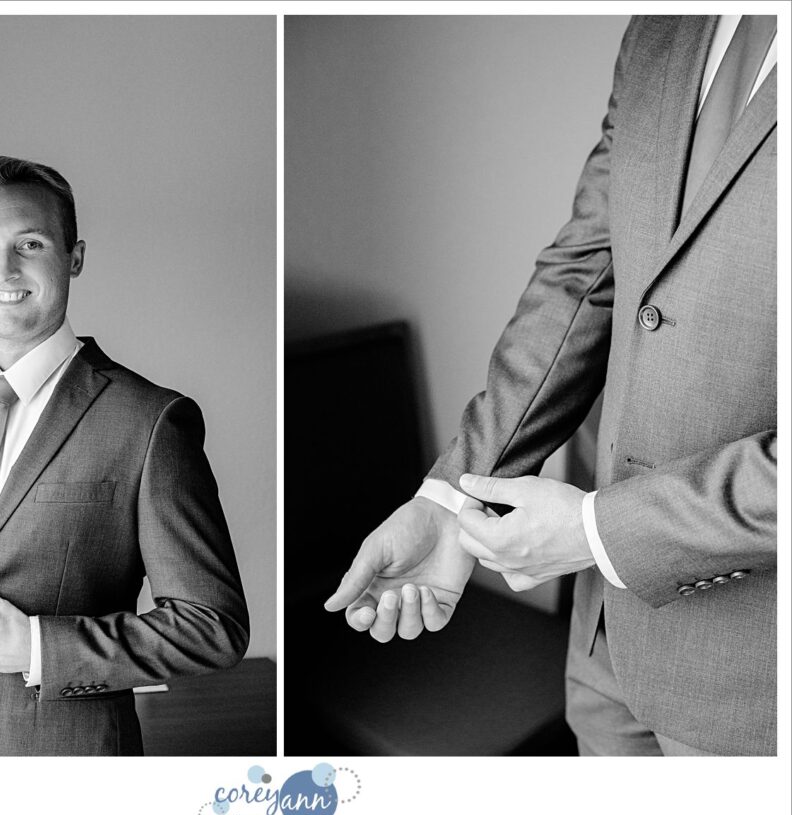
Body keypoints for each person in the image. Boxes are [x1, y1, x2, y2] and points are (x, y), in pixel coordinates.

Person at [325, 15, 776, 756]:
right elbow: (586, 273)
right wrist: (454, 498)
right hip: (604, 648)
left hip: (758, 692)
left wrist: (599, 534)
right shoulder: (661, 29)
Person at [0, 155, 249, 755]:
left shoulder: (150, 422)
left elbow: (213, 626)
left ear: (74, 257)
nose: (2, 267)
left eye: (28, 243)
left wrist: (36, 646)